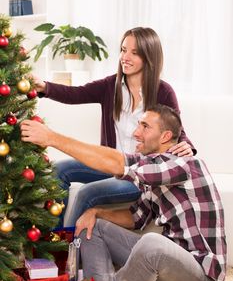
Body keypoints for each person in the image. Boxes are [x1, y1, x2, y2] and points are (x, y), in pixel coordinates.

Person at [21, 104, 226, 281]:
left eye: (145, 126)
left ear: (166, 136)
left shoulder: (183, 164)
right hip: (167, 269)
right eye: (138, 125)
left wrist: (52, 138)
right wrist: (95, 212)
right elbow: (136, 218)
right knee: (91, 227)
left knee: (152, 243)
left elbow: (117, 163)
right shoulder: (154, 175)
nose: (136, 132)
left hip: (199, 279)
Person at [33, 27, 195, 227]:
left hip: (138, 173)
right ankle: (54, 238)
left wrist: (186, 144)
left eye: (134, 53)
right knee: (59, 169)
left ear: (149, 57)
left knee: (87, 193)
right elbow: (75, 94)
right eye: (123, 50)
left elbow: (176, 129)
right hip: (109, 163)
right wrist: (45, 87)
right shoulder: (111, 85)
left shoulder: (163, 91)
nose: (125, 57)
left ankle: (70, 251)